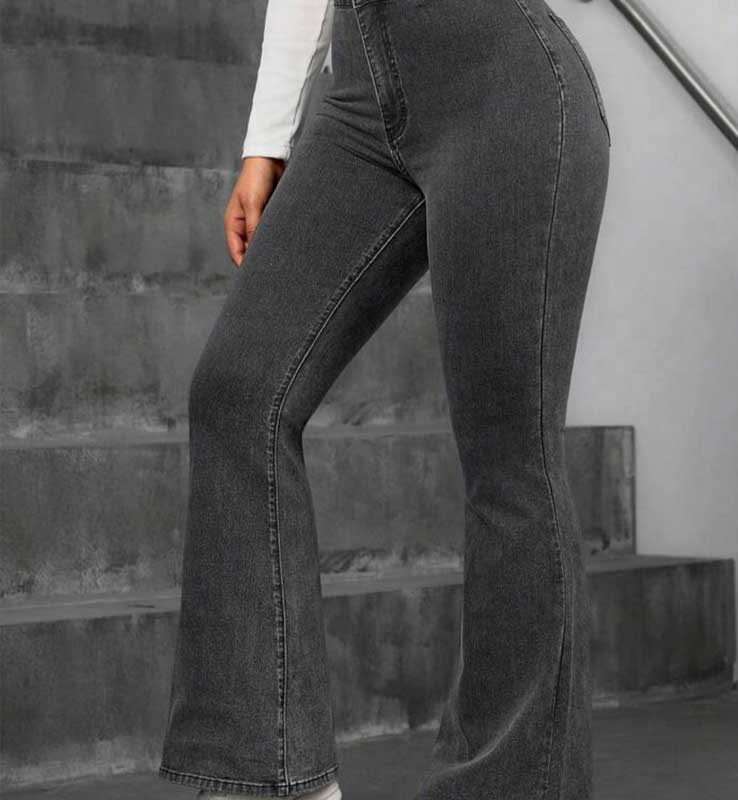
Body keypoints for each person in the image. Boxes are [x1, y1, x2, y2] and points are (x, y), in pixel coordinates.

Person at [157, 0, 610, 796]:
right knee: (239, 392)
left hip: (499, 71)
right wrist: (267, 137)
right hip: (360, 96)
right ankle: (275, 779)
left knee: (511, 463)